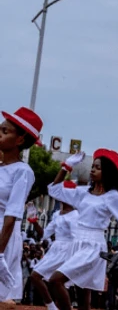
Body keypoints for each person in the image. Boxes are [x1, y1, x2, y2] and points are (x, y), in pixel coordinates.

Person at [46, 149, 118, 310]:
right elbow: (54, 190)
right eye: (92, 166)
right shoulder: (83, 192)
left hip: (93, 245)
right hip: (77, 242)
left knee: (55, 280)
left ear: (107, 172)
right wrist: (66, 166)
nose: (92, 169)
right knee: (82, 294)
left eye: (98, 167)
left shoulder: (113, 196)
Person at [0, 107, 42, 304]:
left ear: (19, 140)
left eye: (4, 131)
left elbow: (12, 214)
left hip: (3, 234)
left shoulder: (23, 171)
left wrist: (0, 253)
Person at [29, 180, 81, 310]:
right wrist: (34, 222)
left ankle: (55, 307)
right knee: (39, 278)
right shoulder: (57, 214)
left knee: (53, 281)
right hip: (56, 249)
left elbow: (77, 238)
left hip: (67, 250)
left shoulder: (74, 215)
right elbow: (44, 234)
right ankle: (53, 307)